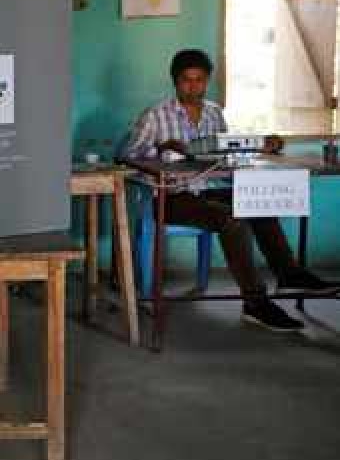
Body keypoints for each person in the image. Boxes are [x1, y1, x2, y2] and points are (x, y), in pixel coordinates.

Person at [120, 48, 338, 332]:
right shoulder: (155, 116)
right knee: (230, 220)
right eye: (187, 80)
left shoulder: (213, 113)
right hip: (171, 196)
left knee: (258, 202)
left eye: (199, 80)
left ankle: (289, 273)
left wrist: (261, 144)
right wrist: (159, 148)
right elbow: (125, 154)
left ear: (207, 81)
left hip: (209, 189)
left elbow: (225, 154)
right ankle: (256, 303)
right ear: (175, 81)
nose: (193, 86)